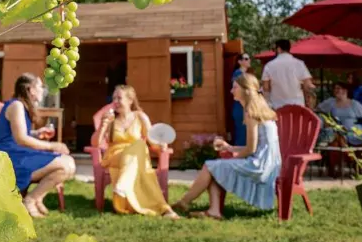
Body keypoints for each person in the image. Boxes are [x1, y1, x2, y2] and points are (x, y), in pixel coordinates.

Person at [172, 73, 281, 219]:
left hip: (260, 167)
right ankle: (213, 211)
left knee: (211, 166)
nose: (231, 91)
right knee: (214, 167)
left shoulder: (251, 113)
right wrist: (228, 147)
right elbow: (256, 147)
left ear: (245, 90)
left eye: (235, 87)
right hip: (268, 164)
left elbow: (251, 149)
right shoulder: (259, 109)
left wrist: (233, 157)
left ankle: (184, 203)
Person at [0, 73, 75, 218]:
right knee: (65, 165)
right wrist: (52, 146)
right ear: (30, 89)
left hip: (17, 153)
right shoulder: (17, 105)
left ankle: (36, 198)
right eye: (40, 87)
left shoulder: (19, 106)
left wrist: (37, 133)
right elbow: (21, 139)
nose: (42, 90)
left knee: (68, 164)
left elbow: (17, 134)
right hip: (10, 157)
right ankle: (30, 200)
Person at [92, 85, 179, 219]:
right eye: (113, 98)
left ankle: (125, 186)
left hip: (136, 156)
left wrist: (161, 145)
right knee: (139, 145)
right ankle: (162, 208)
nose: (115, 101)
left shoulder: (140, 117)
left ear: (130, 100)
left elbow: (152, 141)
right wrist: (103, 126)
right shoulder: (111, 120)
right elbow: (95, 143)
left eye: (119, 98)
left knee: (139, 144)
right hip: (116, 156)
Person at [261, 39, 314, 109]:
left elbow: (265, 87)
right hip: (297, 104)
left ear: (279, 49)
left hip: (277, 105)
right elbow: (308, 85)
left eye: (274, 49)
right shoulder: (299, 63)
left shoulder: (269, 65)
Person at [316, 82, 362, 146]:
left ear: (345, 90)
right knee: (332, 137)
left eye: (338, 88)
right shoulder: (331, 102)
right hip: (336, 131)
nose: (335, 90)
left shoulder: (354, 104)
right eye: (334, 88)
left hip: (353, 131)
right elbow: (317, 110)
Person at [231, 53, 251, 146]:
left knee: (244, 135)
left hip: (243, 107)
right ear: (239, 61)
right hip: (240, 107)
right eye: (246, 58)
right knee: (242, 135)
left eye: (249, 58)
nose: (249, 60)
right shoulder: (238, 74)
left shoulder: (243, 74)